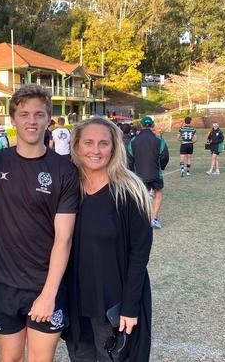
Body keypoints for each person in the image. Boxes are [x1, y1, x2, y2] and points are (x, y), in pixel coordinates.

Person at [0, 84, 79, 362]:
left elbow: (64, 238)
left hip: (45, 284)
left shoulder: (64, 169)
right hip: (3, 284)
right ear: (13, 119)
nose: (31, 121)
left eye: (39, 114)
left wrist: (49, 294)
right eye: (24, 114)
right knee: (9, 359)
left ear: (48, 119)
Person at [65, 118, 153, 362]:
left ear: (114, 148)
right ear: (76, 145)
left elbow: (139, 254)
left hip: (111, 304)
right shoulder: (66, 186)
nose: (95, 150)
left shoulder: (129, 191)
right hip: (75, 302)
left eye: (103, 143)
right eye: (88, 143)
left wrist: (129, 306)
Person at [127, 116, 169, 229]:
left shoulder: (133, 140)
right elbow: (165, 156)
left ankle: (141, 219)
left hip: (139, 174)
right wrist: (161, 166)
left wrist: (131, 171)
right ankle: (154, 218)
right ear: (152, 125)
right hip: (155, 173)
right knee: (158, 194)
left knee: (140, 197)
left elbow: (129, 158)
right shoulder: (159, 139)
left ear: (141, 125)